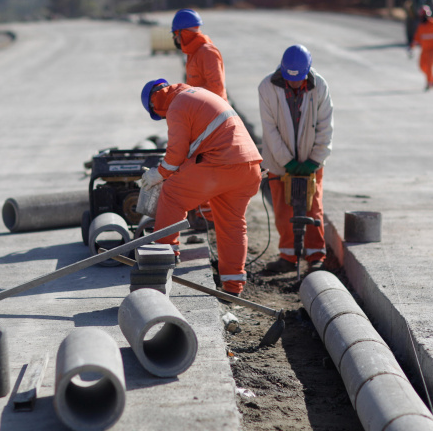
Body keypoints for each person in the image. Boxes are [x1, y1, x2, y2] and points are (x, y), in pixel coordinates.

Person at [139, 79, 262, 296]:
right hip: (248, 167)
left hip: (220, 164)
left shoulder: (176, 104)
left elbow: (176, 155)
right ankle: (233, 286)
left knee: (172, 194)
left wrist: (158, 174)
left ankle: (163, 257)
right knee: (232, 224)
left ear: (154, 104)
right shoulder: (197, 95)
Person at [257, 45, 334, 275]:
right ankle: (288, 256)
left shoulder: (319, 86)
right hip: (280, 164)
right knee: (283, 211)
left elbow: (325, 126)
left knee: (313, 209)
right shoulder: (267, 87)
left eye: (298, 79)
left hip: (311, 161)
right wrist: (287, 162)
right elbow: (270, 130)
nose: (294, 84)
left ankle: (315, 256)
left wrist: (315, 159)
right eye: (290, 79)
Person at [171, 9, 227, 101]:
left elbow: (216, 88)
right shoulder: (193, 52)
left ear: (183, 33)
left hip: (214, 111)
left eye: (174, 34)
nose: (174, 38)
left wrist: (188, 95)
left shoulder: (207, 52)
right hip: (202, 109)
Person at [408, 5, 433, 91]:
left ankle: (429, 83)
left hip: (432, 50)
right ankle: (432, 78)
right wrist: (412, 47)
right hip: (424, 50)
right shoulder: (421, 27)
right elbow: (416, 38)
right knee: (422, 66)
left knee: (429, 67)